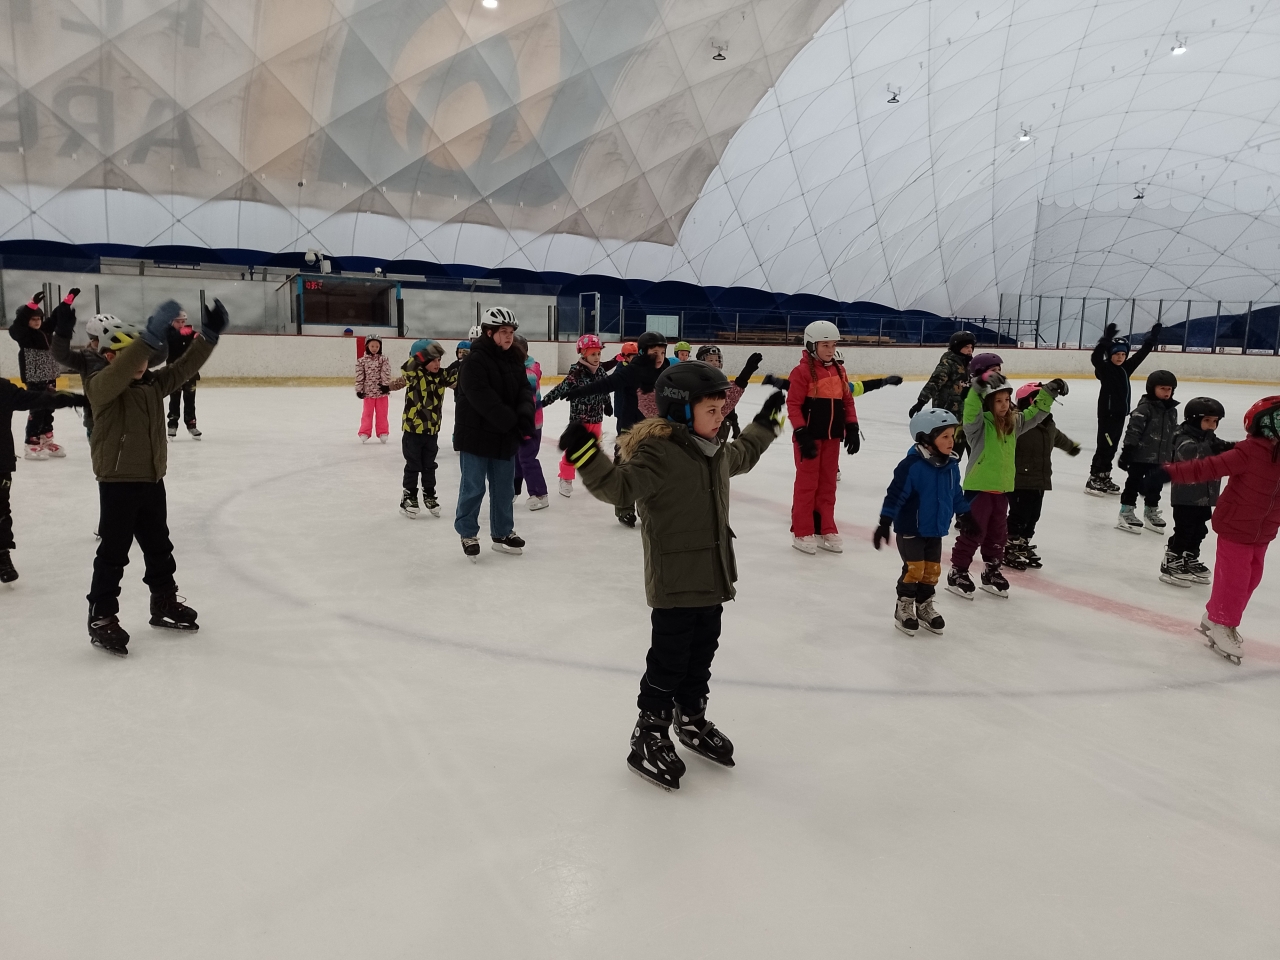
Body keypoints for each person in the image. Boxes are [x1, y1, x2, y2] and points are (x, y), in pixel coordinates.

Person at [559, 361, 785, 790]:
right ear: (681, 410)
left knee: (701, 656)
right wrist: (587, 457)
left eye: (721, 410)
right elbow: (619, 487)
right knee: (668, 661)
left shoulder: (715, 450)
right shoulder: (659, 455)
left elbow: (745, 453)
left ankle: (691, 717)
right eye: (711, 410)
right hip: (676, 582)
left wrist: (767, 425)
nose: (720, 418)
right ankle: (649, 730)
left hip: (714, 578)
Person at [83, 299, 228, 656]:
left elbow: (183, 368)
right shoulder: (100, 386)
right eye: (130, 357)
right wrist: (146, 340)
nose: (140, 363)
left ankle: (163, 601)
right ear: (108, 357)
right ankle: (101, 615)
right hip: (118, 481)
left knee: (159, 546)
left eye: (146, 357)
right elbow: (117, 374)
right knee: (113, 553)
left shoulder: (150, 385)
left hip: (151, 478)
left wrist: (208, 337)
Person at [1142, 397, 1280, 663]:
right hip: (1236, 526)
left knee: (1252, 578)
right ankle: (1222, 622)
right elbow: (1206, 467)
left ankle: (1215, 614)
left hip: (1264, 530)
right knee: (1236, 580)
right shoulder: (1249, 451)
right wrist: (1168, 473)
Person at [946, 366, 1066, 600]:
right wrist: (979, 386)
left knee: (998, 535)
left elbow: (1035, 413)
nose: (1004, 405)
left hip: (1002, 491)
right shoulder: (978, 427)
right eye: (998, 401)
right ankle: (958, 571)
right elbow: (971, 409)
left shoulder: (1013, 424)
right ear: (988, 403)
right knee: (972, 533)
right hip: (979, 490)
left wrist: (1049, 392)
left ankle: (991, 570)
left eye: (1007, 400)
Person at [548, 330, 670, 527]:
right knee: (626, 466)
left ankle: (646, 507)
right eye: (654, 352)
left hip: (655, 429)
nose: (659, 357)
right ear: (642, 353)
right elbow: (607, 384)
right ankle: (624, 509)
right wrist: (581, 392)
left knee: (652, 468)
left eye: (662, 352)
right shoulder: (632, 370)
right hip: (630, 428)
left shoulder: (666, 370)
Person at [873, 409, 977, 636]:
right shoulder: (912, 466)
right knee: (914, 570)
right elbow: (895, 495)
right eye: (945, 436)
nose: (951, 441)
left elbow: (955, 494)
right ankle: (904, 607)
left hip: (936, 529)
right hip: (912, 529)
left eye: (952, 436)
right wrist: (885, 522)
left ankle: (924, 606)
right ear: (926, 439)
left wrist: (965, 514)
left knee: (931, 571)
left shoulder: (951, 465)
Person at [453, 307, 534, 559]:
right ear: (489, 333)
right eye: (504, 331)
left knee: (504, 489)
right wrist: (512, 422)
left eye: (511, 332)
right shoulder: (473, 362)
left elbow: (524, 390)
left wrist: (524, 415)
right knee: (473, 487)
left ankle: (502, 532)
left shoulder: (514, 359)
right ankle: (468, 532)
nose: (509, 336)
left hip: (504, 436)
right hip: (476, 436)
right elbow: (482, 399)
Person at [0, 374, 86, 582]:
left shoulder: (2, 389)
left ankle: (2, 554)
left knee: (1, 510)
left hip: (0, 464)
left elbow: (39, 398)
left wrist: (74, 399)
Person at [786, 320, 857, 555]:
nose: (830, 349)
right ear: (811, 345)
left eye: (833, 345)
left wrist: (852, 427)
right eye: (825, 345)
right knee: (807, 485)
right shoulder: (801, 372)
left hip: (832, 437)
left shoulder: (839, 370)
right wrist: (800, 432)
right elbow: (793, 405)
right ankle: (802, 530)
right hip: (809, 437)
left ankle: (824, 527)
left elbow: (847, 401)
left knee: (827, 484)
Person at [1004, 381, 1082, 569]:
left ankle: (1023, 542)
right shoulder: (1019, 423)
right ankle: (1009, 544)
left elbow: (1057, 437)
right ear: (1031, 401)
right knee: (1019, 515)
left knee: (1033, 515)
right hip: (1019, 479)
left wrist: (1070, 446)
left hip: (1040, 478)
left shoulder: (1048, 422)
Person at [1158, 397, 1233, 587]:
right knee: (1185, 529)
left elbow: (1225, 449)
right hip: (1186, 496)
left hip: (1205, 496)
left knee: (1200, 530)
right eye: (1207, 420)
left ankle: (1189, 556)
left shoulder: (1210, 438)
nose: (1212, 425)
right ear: (1193, 419)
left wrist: (1237, 448)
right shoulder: (1182, 436)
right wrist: (1214, 448)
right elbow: (1187, 453)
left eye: (1215, 421)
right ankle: (1172, 559)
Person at [1087, 321, 1160, 496]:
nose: (1120, 357)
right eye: (1116, 354)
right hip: (1107, 416)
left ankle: (1105, 476)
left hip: (1120, 416)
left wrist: (1152, 340)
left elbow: (1141, 355)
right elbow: (1095, 358)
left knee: (1112, 448)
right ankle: (1094, 478)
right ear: (1110, 354)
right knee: (1104, 447)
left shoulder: (1126, 369)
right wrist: (1105, 340)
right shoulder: (1105, 369)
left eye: (1123, 354)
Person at [542, 334, 611, 497]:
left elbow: (605, 387)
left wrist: (607, 403)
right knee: (573, 449)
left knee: (594, 449)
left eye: (599, 353)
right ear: (583, 354)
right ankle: (565, 478)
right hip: (579, 421)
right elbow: (561, 388)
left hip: (597, 419)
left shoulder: (601, 371)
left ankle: (595, 476)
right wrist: (546, 401)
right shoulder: (577, 372)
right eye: (593, 354)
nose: (597, 357)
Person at [398, 339, 457, 519]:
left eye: (439, 360)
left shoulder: (442, 376)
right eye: (433, 360)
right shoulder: (415, 375)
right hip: (413, 431)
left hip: (432, 431)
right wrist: (421, 355)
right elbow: (406, 368)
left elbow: (458, 376)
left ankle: (429, 494)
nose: (437, 364)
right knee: (413, 465)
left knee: (429, 465)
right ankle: (409, 496)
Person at [1115, 370, 1179, 534]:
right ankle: (1126, 511)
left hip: (1161, 458)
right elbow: (1133, 431)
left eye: (1169, 389)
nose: (1166, 392)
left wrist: (1173, 453)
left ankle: (1151, 511)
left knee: (1155, 486)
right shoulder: (1144, 409)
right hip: (1140, 457)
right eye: (1162, 388)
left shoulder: (1172, 411)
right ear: (1152, 388)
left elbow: (1173, 433)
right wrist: (1127, 451)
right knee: (1133, 483)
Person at [8, 289, 65, 459]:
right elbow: (17, 326)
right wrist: (31, 305)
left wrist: (66, 303)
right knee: (38, 409)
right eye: (33, 319)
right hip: (35, 376)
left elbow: (54, 319)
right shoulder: (23, 335)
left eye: (39, 318)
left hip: (49, 374)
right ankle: (31, 443)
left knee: (49, 408)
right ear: (25, 320)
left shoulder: (44, 331)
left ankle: (46, 440)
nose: (37, 321)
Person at [909, 330, 975, 457]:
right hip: (948, 418)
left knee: (974, 455)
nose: (970, 350)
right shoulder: (948, 364)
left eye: (971, 347)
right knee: (951, 454)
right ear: (957, 347)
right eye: (966, 347)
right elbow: (934, 382)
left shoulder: (969, 365)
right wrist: (921, 401)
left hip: (966, 418)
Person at [52, 299, 110, 440]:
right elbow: (61, 355)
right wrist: (62, 333)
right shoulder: (86, 358)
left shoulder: (123, 355)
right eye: (95, 339)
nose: (99, 343)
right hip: (95, 420)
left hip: (122, 418)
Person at [511, 334, 549, 510]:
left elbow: (527, 402)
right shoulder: (519, 368)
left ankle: (540, 494)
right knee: (516, 457)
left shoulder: (529, 374)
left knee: (526, 458)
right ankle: (513, 489)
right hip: (519, 423)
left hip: (529, 424)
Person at [695, 345, 762, 441]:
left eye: (717, 360)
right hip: (701, 434)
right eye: (710, 360)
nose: (715, 363)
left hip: (716, 431)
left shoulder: (721, 380)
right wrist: (743, 377)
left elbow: (726, 403)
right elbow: (720, 405)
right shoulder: (698, 382)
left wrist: (735, 424)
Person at [355, 335, 399, 442]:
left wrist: (385, 385)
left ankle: (383, 432)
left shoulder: (383, 359)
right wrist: (359, 389)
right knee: (367, 413)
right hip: (368, 392)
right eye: (372, 346)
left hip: (381, 392)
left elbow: (386, 372)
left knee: (382, 413)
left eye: (377, 346)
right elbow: (360, 376)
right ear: (367, 346)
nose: (375, 348)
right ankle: (365, 432)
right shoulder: (361, 361)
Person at [166, 311, 201, 439]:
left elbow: (199, 345)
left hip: (190, 373)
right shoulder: (168, 334)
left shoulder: (190, 333)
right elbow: (169, 342)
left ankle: (191, 424)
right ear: (172, 322)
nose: (181, 324)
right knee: (174, 400)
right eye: (178, 322)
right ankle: (172, 424)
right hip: (174, 373)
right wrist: (178, 335)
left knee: (190, 400)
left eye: (183, 322)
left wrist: (198, 337)